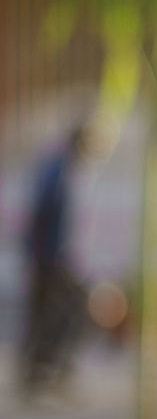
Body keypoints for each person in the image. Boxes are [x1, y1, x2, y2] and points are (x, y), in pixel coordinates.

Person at [16, 120, 93, 400]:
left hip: (48, 257)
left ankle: (39, 375)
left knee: (46, 316)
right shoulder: (60, 169)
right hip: (50, 259)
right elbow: (44, 214)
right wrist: (49, 256)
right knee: (61, 314)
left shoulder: (63, 167)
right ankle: (45, 374)